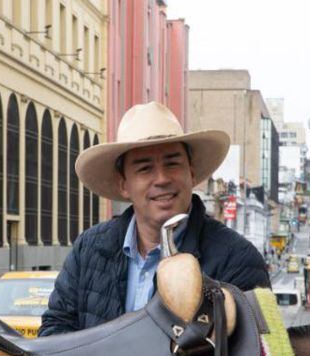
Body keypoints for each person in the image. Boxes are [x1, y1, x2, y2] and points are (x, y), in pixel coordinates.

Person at [40, 101, 270, 336]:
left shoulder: (238, 260)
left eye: (172, 164)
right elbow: (54, 332)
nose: (161, 179)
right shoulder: (89, 249)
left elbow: (253, 352)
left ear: (191, 173)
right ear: (124, 184)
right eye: (145, 168)